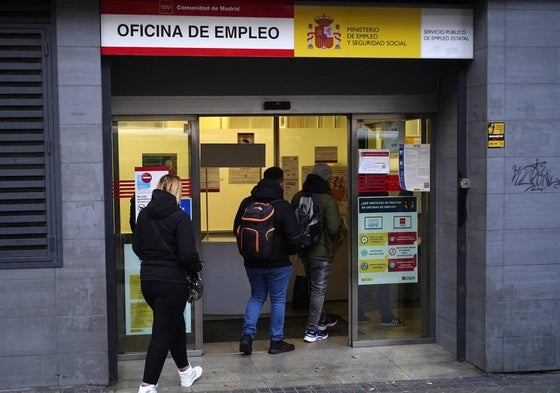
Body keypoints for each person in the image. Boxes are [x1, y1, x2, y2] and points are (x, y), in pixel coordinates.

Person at [132, 174, 204, 393]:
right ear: (176, 191)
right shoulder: (180, 217)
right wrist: (197, 269)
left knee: (173, 324)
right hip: (171, 283)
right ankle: (147, 385)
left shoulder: (144, 215)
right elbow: (188, 255)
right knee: (163, 332)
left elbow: (137, 247)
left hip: (149, 281)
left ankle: (185, 372)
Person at [233, 166, 300, 355]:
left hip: (252, 262)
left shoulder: (247, 202)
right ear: (281, 182)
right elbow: (294, 237)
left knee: (256, 296)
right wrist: (290, 251)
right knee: (278, 300)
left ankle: (247, 336)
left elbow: (236, 229)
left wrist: (247, 251)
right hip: (278, 263)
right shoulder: (282, 206)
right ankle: (276, 341)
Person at [291, 163, 344, 343]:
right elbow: (334, 227)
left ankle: (322, 319)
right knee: (318, 291)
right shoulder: (327, 199)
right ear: (327, 179)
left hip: (305, 250)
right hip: (322, 253)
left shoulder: (299, 196)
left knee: (312, 288)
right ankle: (312, 331)